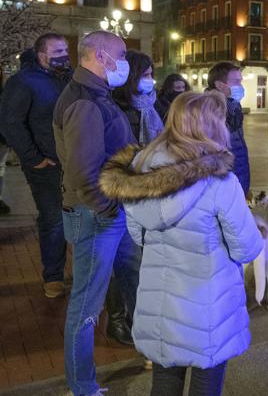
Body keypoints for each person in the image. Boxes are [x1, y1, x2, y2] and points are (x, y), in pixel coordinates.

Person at [100, 91, 264, 396]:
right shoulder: (219, 182)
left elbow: (139, 236)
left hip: (161, 303)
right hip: (207, 304)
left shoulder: (139, 173)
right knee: (206, 383)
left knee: (164, 383)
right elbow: (247, 247)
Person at [53, 30, 142, 396]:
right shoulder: (85, 102)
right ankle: (83, 386)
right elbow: (83, 173)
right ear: (102, 57)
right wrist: (106, 209)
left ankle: (148, 346)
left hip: (108, 212)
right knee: (86, 307)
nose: (125, 63)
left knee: (133, 275)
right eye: (121, 55)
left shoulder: (94, 95)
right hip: (97, 215)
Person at [0, 33, 72, 297]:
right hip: (46, 164)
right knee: (53, 218)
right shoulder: (22, 82)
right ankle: (53, 276)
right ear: (42, 55)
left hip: (72, 161)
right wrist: (34, 158)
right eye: (57, 51)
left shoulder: (69, 78)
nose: (64, 54)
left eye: (65, 49)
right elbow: (10, 123)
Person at [107, 50, 164, 347]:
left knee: (133, 261)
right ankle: (119, 320)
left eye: (152, 74)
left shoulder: (151, 107)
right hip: (123, 195)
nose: (150, 80)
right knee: (126, 261)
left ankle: (126, 318)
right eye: (145, 75)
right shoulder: (117, 109)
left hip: (145, 193)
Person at [206, 62, 250, 194]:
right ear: (219, 85)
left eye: (240, 81)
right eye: (236, 82)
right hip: (223, 183)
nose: (240, 86)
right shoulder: (210, 111)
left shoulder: (233, 108)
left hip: (237, 176)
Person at [113, 51, 164, 146]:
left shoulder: (155, 102)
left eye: (150, 74)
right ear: (131, 77)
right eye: (145, 75)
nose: (150, 79)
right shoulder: (117, 106)